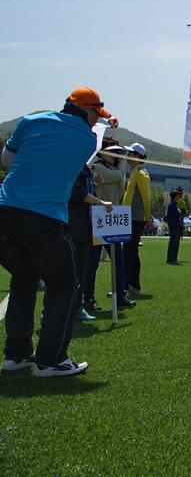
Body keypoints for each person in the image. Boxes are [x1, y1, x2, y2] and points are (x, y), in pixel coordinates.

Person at [0, 86, 114, 377]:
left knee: (24, 279)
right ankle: (50, 360)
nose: (94, 121)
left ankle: (16, 355)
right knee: (64, 284)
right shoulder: (87, 139)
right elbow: (89, 143)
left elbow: (8, 160)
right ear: (87, 111)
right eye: (95, 115)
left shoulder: (30, 121)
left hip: (4, 211)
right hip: (43, 216)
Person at [86, 138, 135, 310]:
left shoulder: (115, 169)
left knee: (118, 259)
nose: (116, 155)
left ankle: (120, 294)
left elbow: (121, 186)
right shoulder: (97, 166)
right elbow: (116, 177)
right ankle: (88, 297)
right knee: (92, 262)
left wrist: (120, 165)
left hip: (113, 218)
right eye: (112, 151)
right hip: (98, 217)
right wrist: (122, 164)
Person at [68, 166, 115, 320]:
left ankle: (76, 307)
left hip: (84, 227)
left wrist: (95, 183)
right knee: (67, 272)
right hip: (71, 226)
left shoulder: (85, 169)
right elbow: (77, 194)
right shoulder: (71, 165)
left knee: (80, 271)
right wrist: (101, 202)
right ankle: (51, 312)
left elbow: (86, 191)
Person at [122, 142, 150, 296]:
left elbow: (146, 197)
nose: (128, 156)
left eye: (131, 153)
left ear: (138, 156)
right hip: (129, 217)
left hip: (135, 218)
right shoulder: (134, 171)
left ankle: (129, 286)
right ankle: (131, 285)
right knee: (130, 252)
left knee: (129, 252)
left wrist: (147, 217)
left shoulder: (140, 173)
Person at [164, 190, 182, 265]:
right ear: (175, 197)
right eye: (177, 195)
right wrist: (180, 213)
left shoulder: (174, 205)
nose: (178, 197)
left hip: (176, 226)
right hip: (173, 226)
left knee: (176, 243)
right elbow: (175, 215)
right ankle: (171, 259)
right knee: (173, 243)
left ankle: (174, 258)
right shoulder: (172, 205)